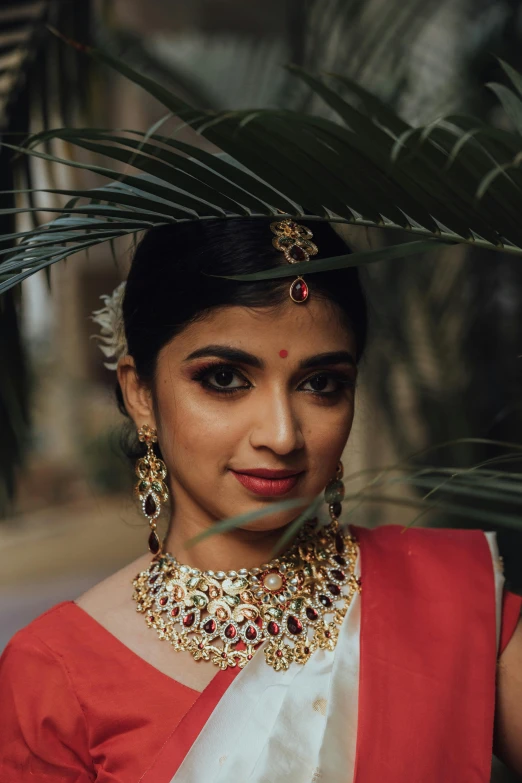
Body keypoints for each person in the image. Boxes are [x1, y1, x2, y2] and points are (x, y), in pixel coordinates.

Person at [0, 217, 520, 783]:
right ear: (140, 393)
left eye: (320, 384)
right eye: (224, 379)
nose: (282, 434)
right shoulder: (55, 673)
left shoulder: (451, 598)